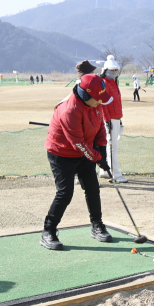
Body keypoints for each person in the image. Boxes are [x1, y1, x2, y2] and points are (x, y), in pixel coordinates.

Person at [41, 74, 114, 250]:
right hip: (62, 153)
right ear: (85, 95)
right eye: (97, 100)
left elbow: (100, 128)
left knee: (92, 188)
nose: (100, 103)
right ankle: (48, 231)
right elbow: (78, 143)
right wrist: (98, 158)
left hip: (85, 151)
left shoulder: (95, 103)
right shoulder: (69, 110)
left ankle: (97, 225)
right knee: (65, 192)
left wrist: (102, 151)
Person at [99, 55, 127, 183]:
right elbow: (103, 103)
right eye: (112, 70)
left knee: (110, 146)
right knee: (112, 147)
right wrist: (107, 119)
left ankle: (105, 171)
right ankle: (115, 174)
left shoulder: (114, 82)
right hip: (110, 119)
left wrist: (118, 118)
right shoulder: (104, 83)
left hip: (115, 118)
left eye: (116, 70)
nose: (114, 73)